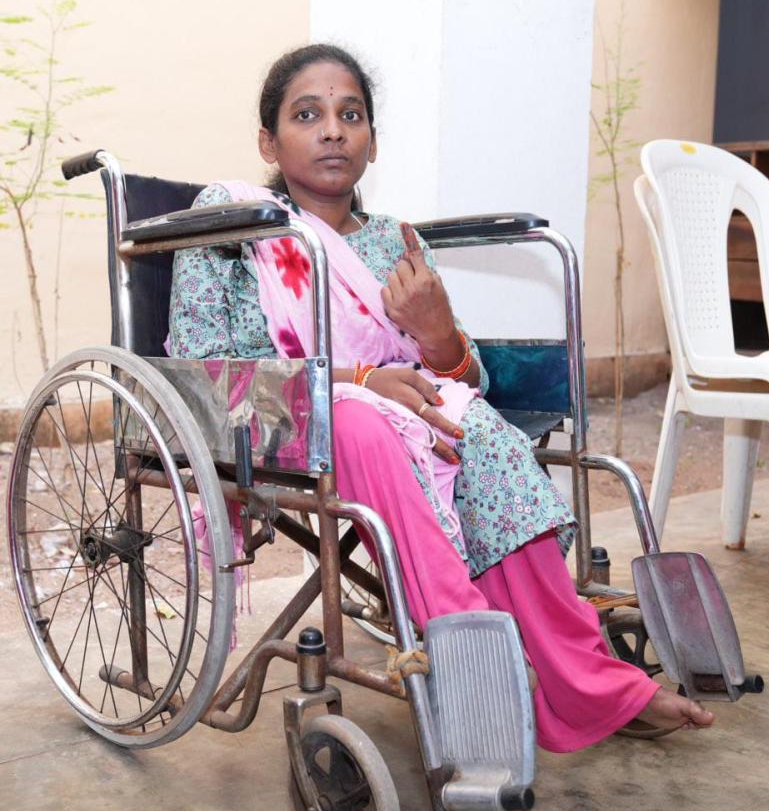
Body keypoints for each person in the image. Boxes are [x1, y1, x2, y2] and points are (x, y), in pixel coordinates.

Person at [169, 43, 714, 752]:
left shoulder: (394, 242)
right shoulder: (231, 222)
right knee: (361, 424)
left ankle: (589, 686)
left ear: (370, 140)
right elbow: (200, 369)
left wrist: (436, 333)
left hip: (411, 421)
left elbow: (459, 379)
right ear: (269, 140)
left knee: (481, 431)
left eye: (350, 114)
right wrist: (358, 383)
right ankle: (467, 666)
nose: (333, 129)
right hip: (274, 417)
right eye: (308, 115)